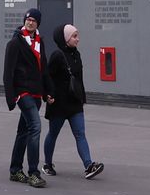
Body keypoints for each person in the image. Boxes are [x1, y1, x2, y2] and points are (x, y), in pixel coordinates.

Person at [42, 23, 104, 179]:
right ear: (65, 39)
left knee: (80, 134)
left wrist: (82, 98)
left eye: (77, 35)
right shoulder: (57, 55)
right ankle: (47, 164)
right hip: (58, 104)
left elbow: (79, 80)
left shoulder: (77, 54)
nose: (78, 39)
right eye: (74, 36)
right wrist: (47, 95)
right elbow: (47, 77)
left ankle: (89, 166)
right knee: (53, 134)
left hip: (74, 103)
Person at [4, 8, 49, 186]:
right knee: (35, 127)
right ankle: (33, 173)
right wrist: (11, 97)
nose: (30, 22)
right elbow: (8, 73)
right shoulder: (15, 43)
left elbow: (43, 69)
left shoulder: (40, 42)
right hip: (23, 93)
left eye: (34, 21)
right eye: (28, 19)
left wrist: (48, 92)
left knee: (23, 131)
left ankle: (15, 170)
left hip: (36, 93)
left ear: (38, 24)